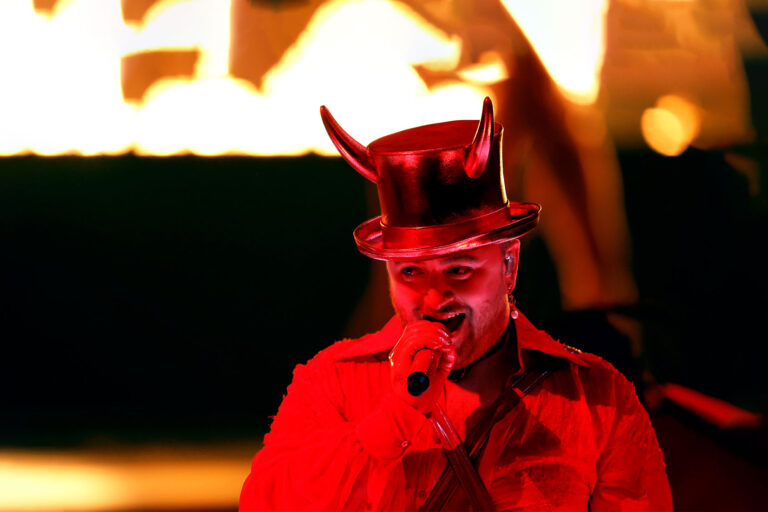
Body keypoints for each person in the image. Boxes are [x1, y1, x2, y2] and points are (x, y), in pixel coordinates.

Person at [239, 98, 672, 511]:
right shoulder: (332, 385)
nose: (433, 296)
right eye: (410, 272)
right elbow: (267, 503)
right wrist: (390, 423)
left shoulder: (596, 398)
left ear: (508, 265)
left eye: (459, 270)